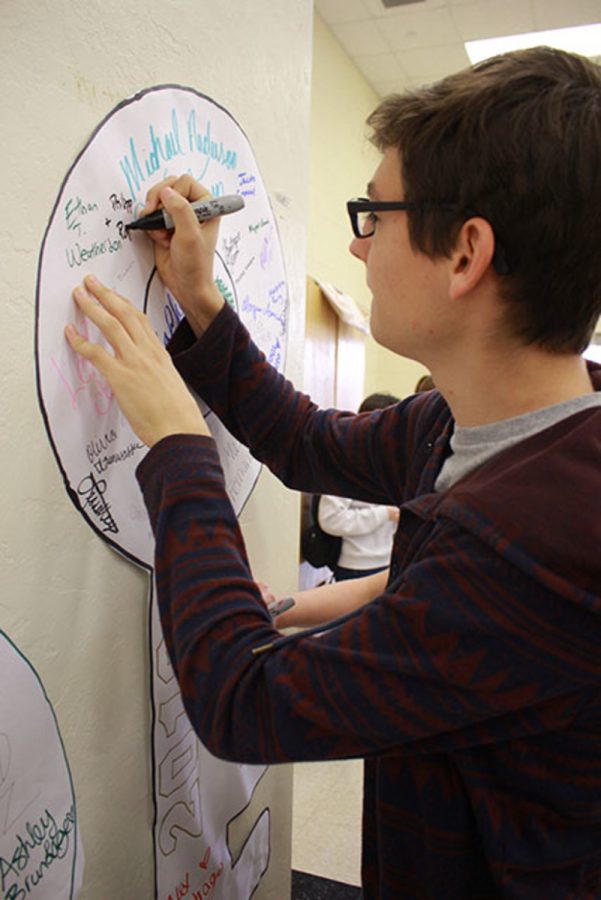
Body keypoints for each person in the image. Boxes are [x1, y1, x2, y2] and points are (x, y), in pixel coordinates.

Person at [65, 47, 601, 899]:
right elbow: (309, 443)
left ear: (465, 254)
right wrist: (201, 303)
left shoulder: (538, 541)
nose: (357, 250)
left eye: (372, 216)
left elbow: (242, 696)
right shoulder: (476, 424)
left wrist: (176, 443)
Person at [318, 392, 400, 581]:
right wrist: (385, 514)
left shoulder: (395, 465)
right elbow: (330, 519)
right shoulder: (346, 466)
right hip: (356, 567)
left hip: (390, 563)